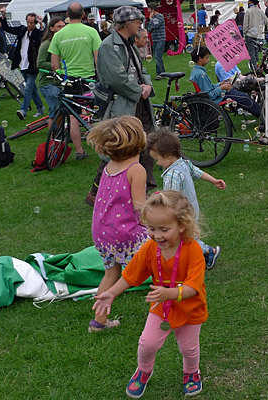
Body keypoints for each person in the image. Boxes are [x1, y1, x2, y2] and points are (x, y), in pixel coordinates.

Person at [92, 190, 208, 398]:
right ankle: (143, 371)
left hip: (190, 308)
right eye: (151, 228)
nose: (157, 235)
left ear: (181, 226)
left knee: (188, 349)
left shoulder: (193, 250)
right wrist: (111, 293)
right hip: (161, 307)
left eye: (164, 229)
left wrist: (169, 293)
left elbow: (193, 288)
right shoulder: (149, 249)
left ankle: (191, 373)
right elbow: (130, 276)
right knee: (147, 343)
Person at [86, 6, 156, 207]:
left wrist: (148, 86)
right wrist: (139, 90)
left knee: (147, 143)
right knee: (119, 147)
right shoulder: (109, 46)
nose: (140, 25)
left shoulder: (129, 44)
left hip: (138, 102)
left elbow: (141, 70)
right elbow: (115, 79)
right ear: (126, 23)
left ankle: (145, 189)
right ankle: (95, 192)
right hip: (123, 104)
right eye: (137, 21)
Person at [86, 116, 149, 332]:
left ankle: (99, 322)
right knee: (160, 260)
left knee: (111, 273)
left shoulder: (109, 166)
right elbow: (141, 209)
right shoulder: (136, 169)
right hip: (126, 234)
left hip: (103, 233)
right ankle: (169, 309)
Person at [146, 129, 225, 269]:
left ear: (168, 156)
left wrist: (160, 204)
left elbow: (171, 199)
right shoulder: (183, 163)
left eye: (157, 159)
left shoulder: (172, 175)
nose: (157, 163)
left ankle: (208, 252)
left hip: (180, 213)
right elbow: (197, 172)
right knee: (188, 237)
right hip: (191, 209)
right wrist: (214, 180)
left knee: (185, 239)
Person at [49, 2, 102, 159]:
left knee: (73, 116)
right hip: (89, 80)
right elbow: (98, 57)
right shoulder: (91, 32)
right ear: (83, 15)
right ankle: (106, 145)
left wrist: (59, 73)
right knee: (100, 112)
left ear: (67, 15)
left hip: (70, 81)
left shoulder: (59, 35)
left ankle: (79, 151)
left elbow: (54, 63)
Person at [0, 9, 45, 120]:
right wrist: (3, 16)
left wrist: (41, 24)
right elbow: (6, 28)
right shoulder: (22, 30)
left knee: (28, 88)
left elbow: (43, 36)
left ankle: (23, 110)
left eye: (31, 22)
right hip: (22, 64)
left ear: (35, 23)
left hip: (33, 66)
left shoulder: (36, 33)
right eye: (28, 22)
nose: (29, 24)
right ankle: (40, 108)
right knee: (32, 88)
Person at [36, 17, 65, 130]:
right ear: (52, 28)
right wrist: (56, 66)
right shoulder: (47, 44)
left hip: (60, 82)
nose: (62, 29)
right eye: (59, 26)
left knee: (63, 110)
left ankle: (61, 134)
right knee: (55, 110)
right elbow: (40, 63)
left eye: (63, 26)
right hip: (48, 83)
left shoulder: (63, 42)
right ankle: (53, 138)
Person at [243, 0, 268, 72]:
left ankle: (255, 67)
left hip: (250, 34)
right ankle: (257, 65)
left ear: (251, 3)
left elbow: (245, 24)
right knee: (256, 51)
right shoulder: (260, 11)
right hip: (258, 34)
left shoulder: (248, 12)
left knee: (251, 52)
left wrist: (244, 33)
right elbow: (266, 20)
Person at [147, 2, 166, 80]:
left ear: (153, 9)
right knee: (157, 57)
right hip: (155, 39)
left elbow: (155, 25)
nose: (148, 10)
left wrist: (151, 19)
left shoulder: (159, 16)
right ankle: (161, 73)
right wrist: (151, 22)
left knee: (158, 57)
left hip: (160, 39)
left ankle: (161, 74)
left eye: (149, 9)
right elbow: (149, 29)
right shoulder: (154, 18)